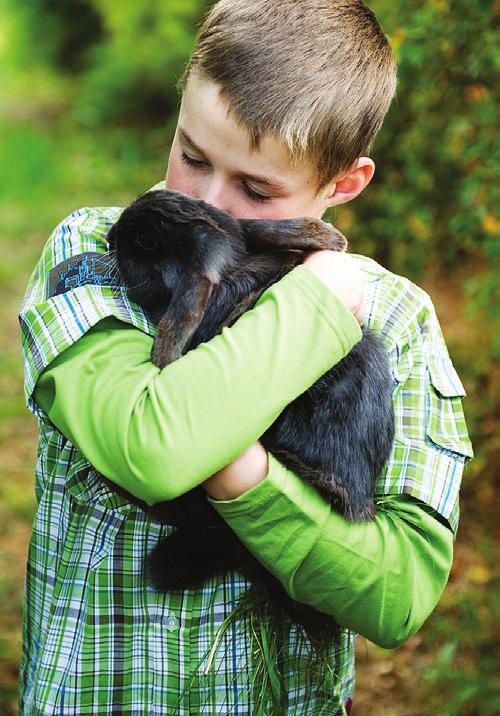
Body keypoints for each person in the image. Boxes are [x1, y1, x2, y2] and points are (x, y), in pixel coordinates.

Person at [18, 1, 473, 713]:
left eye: (257, 189)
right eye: (191, 156)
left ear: (344, 184)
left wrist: (241, 476)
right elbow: (155, 448)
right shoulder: (100, 254)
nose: (207, 204)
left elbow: (399, 595)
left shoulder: (400, 319)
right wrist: (317, 308)